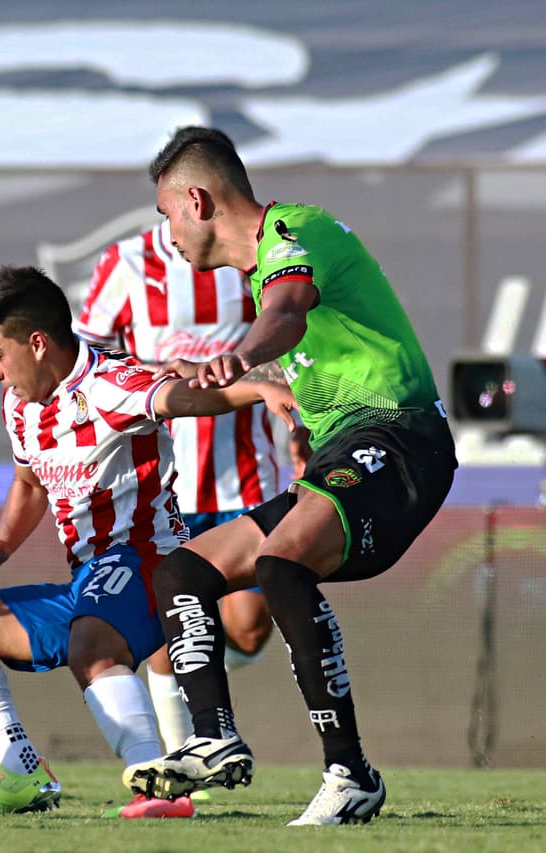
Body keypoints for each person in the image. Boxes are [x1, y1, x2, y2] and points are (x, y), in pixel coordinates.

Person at [120, 126, 458, 826]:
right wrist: (237, 378)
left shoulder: (292, 231)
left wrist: (242, 357)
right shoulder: (263, 268)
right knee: (183, 572)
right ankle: (212, 736)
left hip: (402, 441)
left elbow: (288, 315)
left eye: (166, 216)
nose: (168, 235)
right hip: (346, 451)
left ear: (198, 200)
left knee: (281, 562)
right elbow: (295, 344)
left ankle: (349, 772)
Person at [0, 265, 297, 819]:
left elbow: (181, 399)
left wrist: (258, 389)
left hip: (150, 563)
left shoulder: (108, 382)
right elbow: (29, 483)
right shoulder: (20, 407)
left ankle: (162, 791)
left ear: (38, 343)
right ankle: (21, 771)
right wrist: (4, 542)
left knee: (93, 646)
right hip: (90, 581)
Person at [75, 220, 312, 756]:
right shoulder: (127, 263)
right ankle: (188, 754)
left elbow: (289, 335)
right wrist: (152, 374)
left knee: (249, 627)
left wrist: (295, 421)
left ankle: (194, 663)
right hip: (163, 484)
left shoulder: (248, 262)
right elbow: (86, 360)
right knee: (167, 621)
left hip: (248, 476)